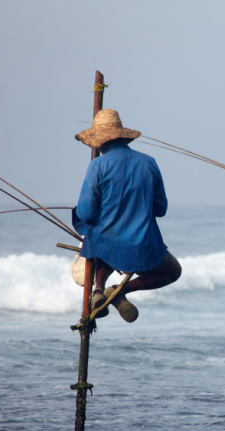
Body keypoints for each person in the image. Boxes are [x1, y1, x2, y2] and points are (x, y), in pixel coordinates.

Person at [72, 109, 181, 323]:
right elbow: (161, 209)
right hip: (143, 245)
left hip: (105, 244)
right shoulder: (149, 162)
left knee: (103, 240)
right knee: (172, 271)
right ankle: (120, 290)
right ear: (122, 136)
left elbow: (86, 213)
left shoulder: (97, 165)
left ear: (98, 141)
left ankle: (99, 289)